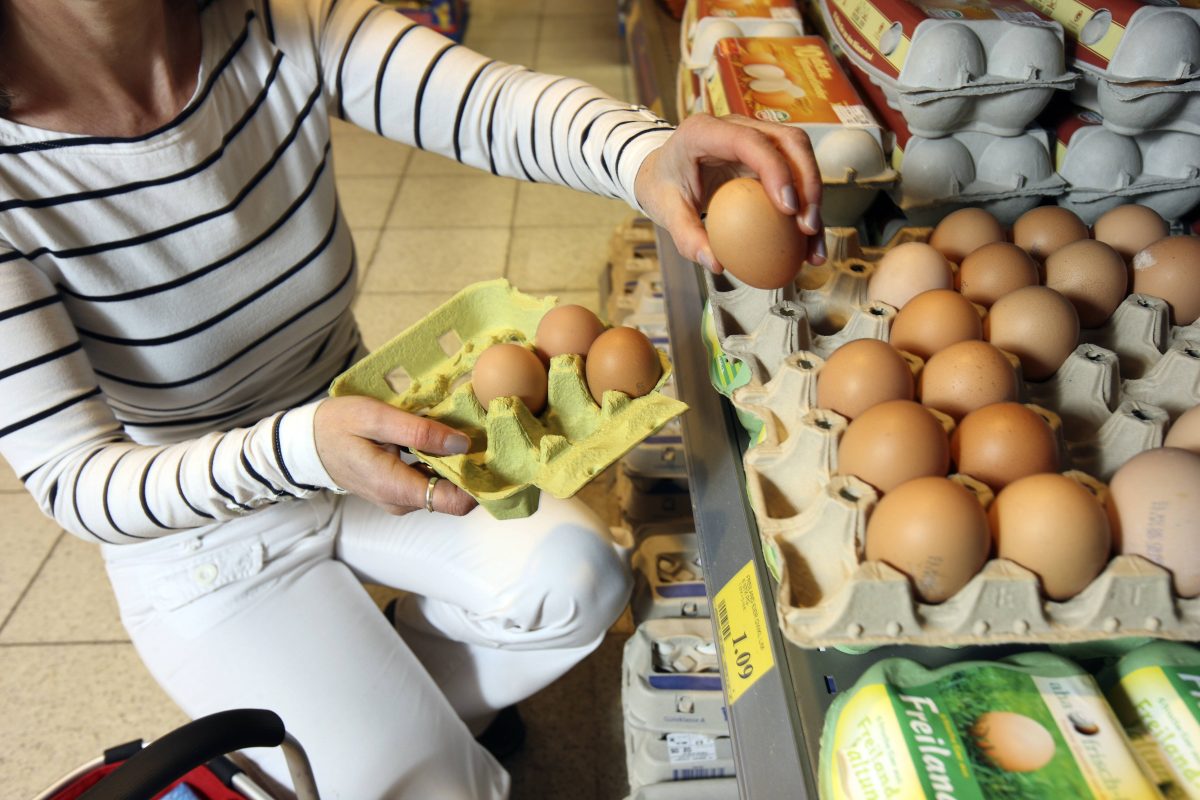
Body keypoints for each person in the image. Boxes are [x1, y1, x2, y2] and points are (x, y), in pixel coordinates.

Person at [0, 0, 825, 796]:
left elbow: (490, 104)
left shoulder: (273, 21)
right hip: (202, 538)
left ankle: (380, 694)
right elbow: (75, 479)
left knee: (579, 579)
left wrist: (644, 154)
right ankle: (359, 733)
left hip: (364, 438)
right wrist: (296, 447)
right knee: (426, 785)